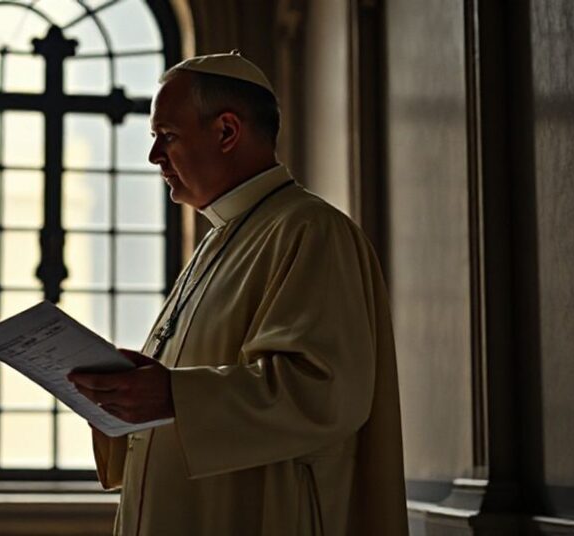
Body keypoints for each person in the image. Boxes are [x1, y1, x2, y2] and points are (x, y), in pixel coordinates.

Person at [67, 51, 408, 535]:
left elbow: (323, 393)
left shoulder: (310, 231)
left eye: (167, 137)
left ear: (227, 132)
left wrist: (172, 395)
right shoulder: (224, 237)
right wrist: (125, 399)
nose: (154, 157)